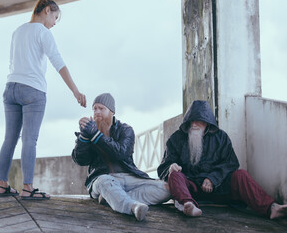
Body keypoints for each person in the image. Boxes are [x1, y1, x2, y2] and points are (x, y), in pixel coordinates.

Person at [0, 0, 86, 200]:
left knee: (9, 138)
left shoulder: (17, 31)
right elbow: (58, 62)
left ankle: (2, 185)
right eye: (55, 17)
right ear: (46, 10)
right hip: (33, 90)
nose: (54, 23)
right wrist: (75, 91)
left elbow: (12, 62)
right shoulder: (43, 32)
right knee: (29, 139)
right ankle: (27, 188)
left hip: (10, 88)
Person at [157, 100, 287, 219]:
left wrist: (213, 178)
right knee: (174, 175)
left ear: (207, 122)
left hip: (218, 188)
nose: (194, 124)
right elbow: (163, 167)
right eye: (192, 121)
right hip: (191, 190)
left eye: (199, 120)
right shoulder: (176, 138)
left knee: (241, 175)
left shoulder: (221, 137)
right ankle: (188, 205)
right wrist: (171, 167)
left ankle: (271, 208)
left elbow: (231, 163)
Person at [72, 93, 171, 221]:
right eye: (94, 108)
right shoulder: (90, 131)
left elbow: (120, 153)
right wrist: (84, 137)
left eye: (101, 108)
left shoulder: (126, 130)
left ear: (112, 111)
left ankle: (111, 198)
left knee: (166, 189)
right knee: (104, 182)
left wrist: (96, 135)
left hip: (128, 176)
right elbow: (80, 160)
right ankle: (132, 206)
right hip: (102, 178)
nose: (97, 112)